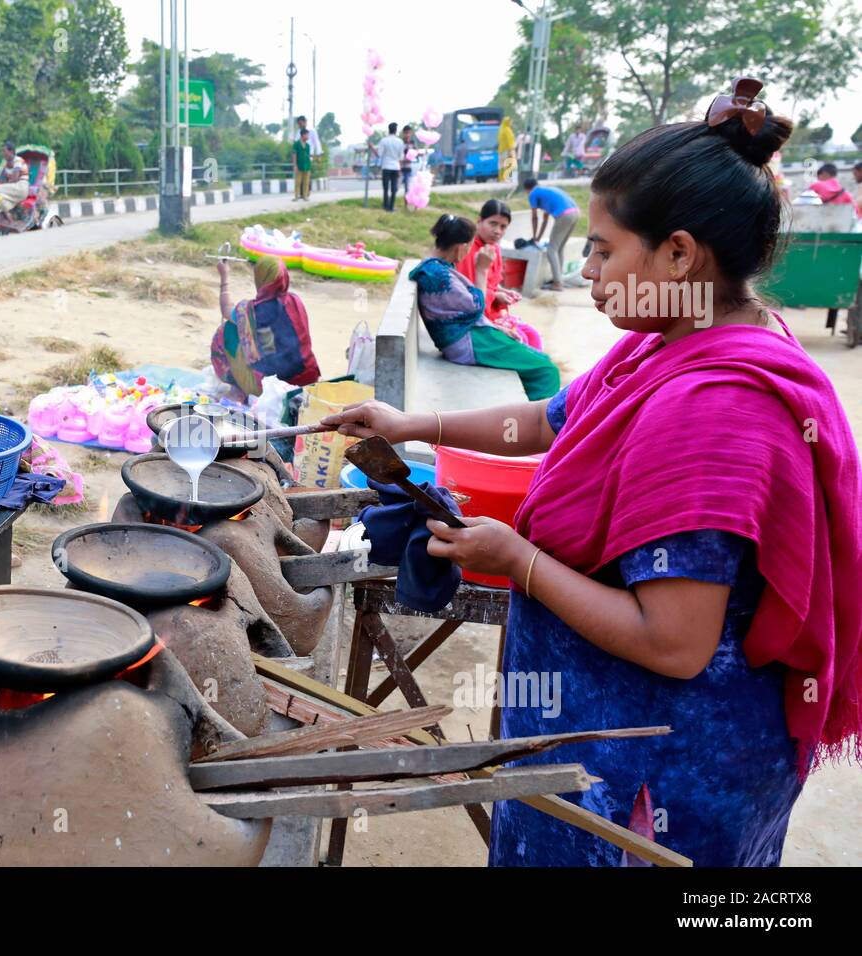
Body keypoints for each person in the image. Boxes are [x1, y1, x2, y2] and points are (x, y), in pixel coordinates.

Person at [323, 76, 862, 867]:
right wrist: (413, 424)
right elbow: (547, 421)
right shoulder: (671, 339)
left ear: (678, 253)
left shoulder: (713, 410)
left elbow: (674, 643)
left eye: (605, 251)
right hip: (598, 732)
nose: (589, 274)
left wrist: (517, 561)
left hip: (651, 777)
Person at [408, 213, 560, 400]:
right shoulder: (436, 274)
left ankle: (531, 414)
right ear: (461, 247)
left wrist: (495, 327)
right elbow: (475, 306)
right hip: (465, 343)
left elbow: (467, 310)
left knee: (536, 355)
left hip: (472, 335)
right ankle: (538, 423)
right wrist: (482, 269)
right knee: (546, 370)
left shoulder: (437, 268)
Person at [211, 255, 320, 402]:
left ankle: (239, 388)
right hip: (309, 378)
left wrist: (224, 276)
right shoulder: (295, 300)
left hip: (271, 388)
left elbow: (226, 309)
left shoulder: (251, 312)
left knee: (227, 330)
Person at [456, 199, 542, 349]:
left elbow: (493, 284)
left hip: (494, 311)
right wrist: (495, 296)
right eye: (493, 224)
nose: (497, 231)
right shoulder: (468, 250)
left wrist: (503, 292)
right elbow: (468, 292)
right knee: (521, 341)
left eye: (503, 227)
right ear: (479, 222)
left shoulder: (494, 248)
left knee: (533, 336)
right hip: (478, 318)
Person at [524, 178, 581, 291]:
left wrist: (534, 236)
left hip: (564, 215)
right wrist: (538, 238)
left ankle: (557, 283)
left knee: (551, 250)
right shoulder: (546, 192)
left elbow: (534, 217)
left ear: (527, 189)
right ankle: (560, 279)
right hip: (576, 213)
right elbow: (545, 220)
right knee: (559, 248)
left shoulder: (533, 194)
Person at [0, 142, 29, 212]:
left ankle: (6, 212)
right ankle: (8, 217)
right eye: (2, 151)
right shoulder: (5, 165)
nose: (2, 153)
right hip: (12, 189)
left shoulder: (18, 160)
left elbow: (14, 179)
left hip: (20, 187)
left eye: (4, 151)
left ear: (11, 151)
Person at [376, 122, 403, 212]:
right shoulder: (400, 142)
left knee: (386, 187)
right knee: (393, 188)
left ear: (389, 130)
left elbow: (379, 154)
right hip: (395, 167)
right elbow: (401, 157)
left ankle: (385, 205)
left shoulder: (384, 141)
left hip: (386, 166)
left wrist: (372, 147)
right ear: (395, 130)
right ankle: (391, 207)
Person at [292, 129, 313, 201]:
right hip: (299, 165)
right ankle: (296, 196)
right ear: (303, 135)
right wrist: (295, 165)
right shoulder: (296, 144)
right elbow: (294, 154)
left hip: (307, 166)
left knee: (306, 182)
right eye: (307, 135)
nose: (308, 136)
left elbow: (307, 155)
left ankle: (305, 196)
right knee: (298, 182)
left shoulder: (308, 146)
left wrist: (312, 157)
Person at [399, 125, 415, 208]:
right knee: (396, 187)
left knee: (407, 188)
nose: (407, 135)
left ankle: (407, 204)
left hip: (408, 168)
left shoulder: (412, 143)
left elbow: (415, 153)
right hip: (400, 168)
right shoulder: (400, 142)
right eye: (406, 133)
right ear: (403, 133)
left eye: (409, 133)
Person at [498, 117, 517, 184]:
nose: (511, 123)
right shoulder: (507, 130)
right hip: (508, 150)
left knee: (502, 165)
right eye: (510, 121)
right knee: (509, 164)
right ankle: (507, 178)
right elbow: (509, 141)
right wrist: (511, 150)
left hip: (501, 150)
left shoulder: (501, 129)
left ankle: (501, 178)